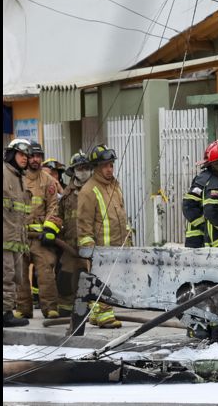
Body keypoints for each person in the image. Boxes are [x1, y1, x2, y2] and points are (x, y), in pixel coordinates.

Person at [77, 144, 132, 328]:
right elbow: (84, 223)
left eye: (111, 165)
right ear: (97, 167)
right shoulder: (89, 190)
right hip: (100, 249)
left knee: (112, 282)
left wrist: (128, 239)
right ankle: (104, 316)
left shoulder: (115, 186)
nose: (110, 169)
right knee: (103, 282)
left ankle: (97, 313)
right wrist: (89, 248)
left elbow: (121, 215)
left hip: (117, 246)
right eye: (106, 165)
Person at [17, 140, 61, 320]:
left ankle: (50, 308)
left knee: (45, 272)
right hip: (20, 236)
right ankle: (23, 309)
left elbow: (53, 207)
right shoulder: (17, 179)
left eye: (38, 156)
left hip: (41, 237)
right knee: (20, 274)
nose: (35, 159)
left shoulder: (48, 181)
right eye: (32, 156)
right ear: (26, 158)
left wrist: (49, 229)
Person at [55, 151, 93, 317]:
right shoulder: (66, 194)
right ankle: (65, 306)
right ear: (73, 170)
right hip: (69, 244)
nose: (83, 171)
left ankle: (90, 307)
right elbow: (58, 215)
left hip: (90, 244)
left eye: (86, 167)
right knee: (66, 277)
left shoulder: (95, 190)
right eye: (79, 168)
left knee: (89, 277)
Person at [3, 139, 32, 327]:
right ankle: (5, 314)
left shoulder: (20, 178)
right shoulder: (4, 173)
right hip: (5, 238)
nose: (25, 159)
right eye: (22, 155)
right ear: (13, 155)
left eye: (27, 156)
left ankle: (8, 311)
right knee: (6, 275)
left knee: (15, 277)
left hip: (16, 239)